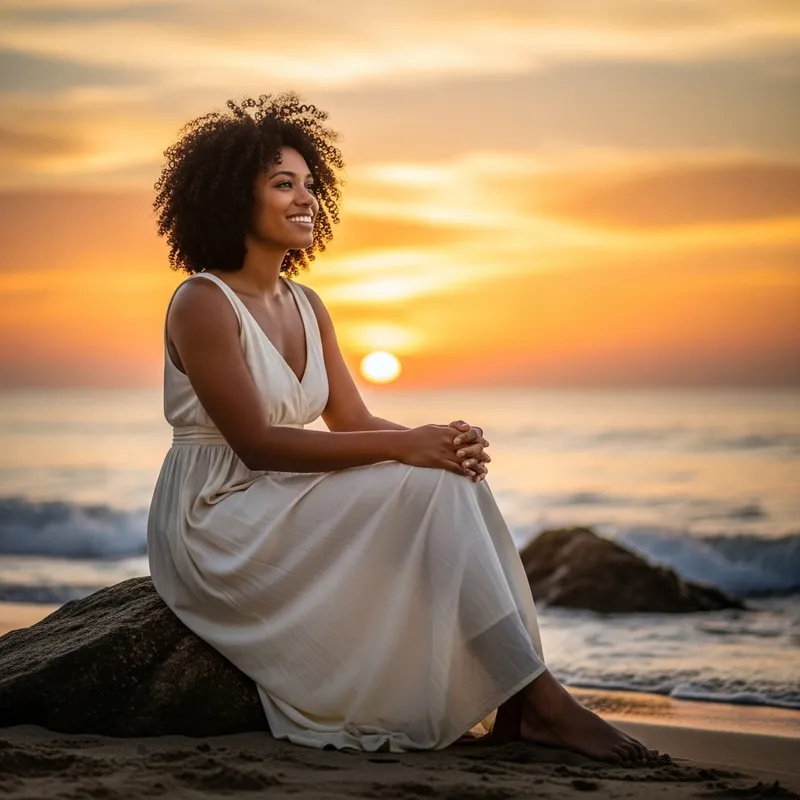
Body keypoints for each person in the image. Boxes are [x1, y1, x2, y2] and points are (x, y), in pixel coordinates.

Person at [147, 92, 660, 762]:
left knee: (452, 480)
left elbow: (351, 421)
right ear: (227, 198)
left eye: (310, 184)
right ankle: (545, 704)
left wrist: (436, 439)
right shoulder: (201, 302)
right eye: (283, 185)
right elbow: (256, 443)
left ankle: (523, 698)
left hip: (277, 499)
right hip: (216, 515)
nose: (306, 199)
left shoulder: (307, 304)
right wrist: (405, 447)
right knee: (425, 479)